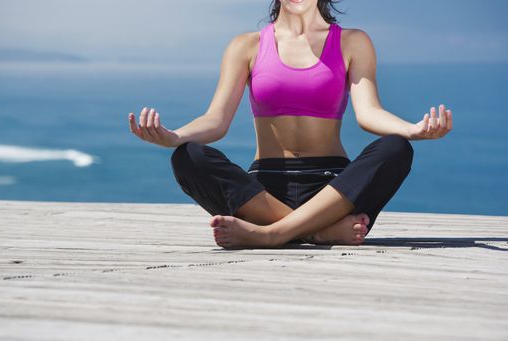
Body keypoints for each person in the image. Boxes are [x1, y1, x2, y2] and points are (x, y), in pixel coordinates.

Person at [128, 0, 452, 249]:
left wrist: (411, 130)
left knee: (396, 148)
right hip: (264, 191)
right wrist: (174, 137)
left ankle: (272, 234)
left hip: (334, 189)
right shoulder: (247, 45)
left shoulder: (353, 42)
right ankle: (318, 232)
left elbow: (368, 113)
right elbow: (217, 120)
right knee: (187, 157)